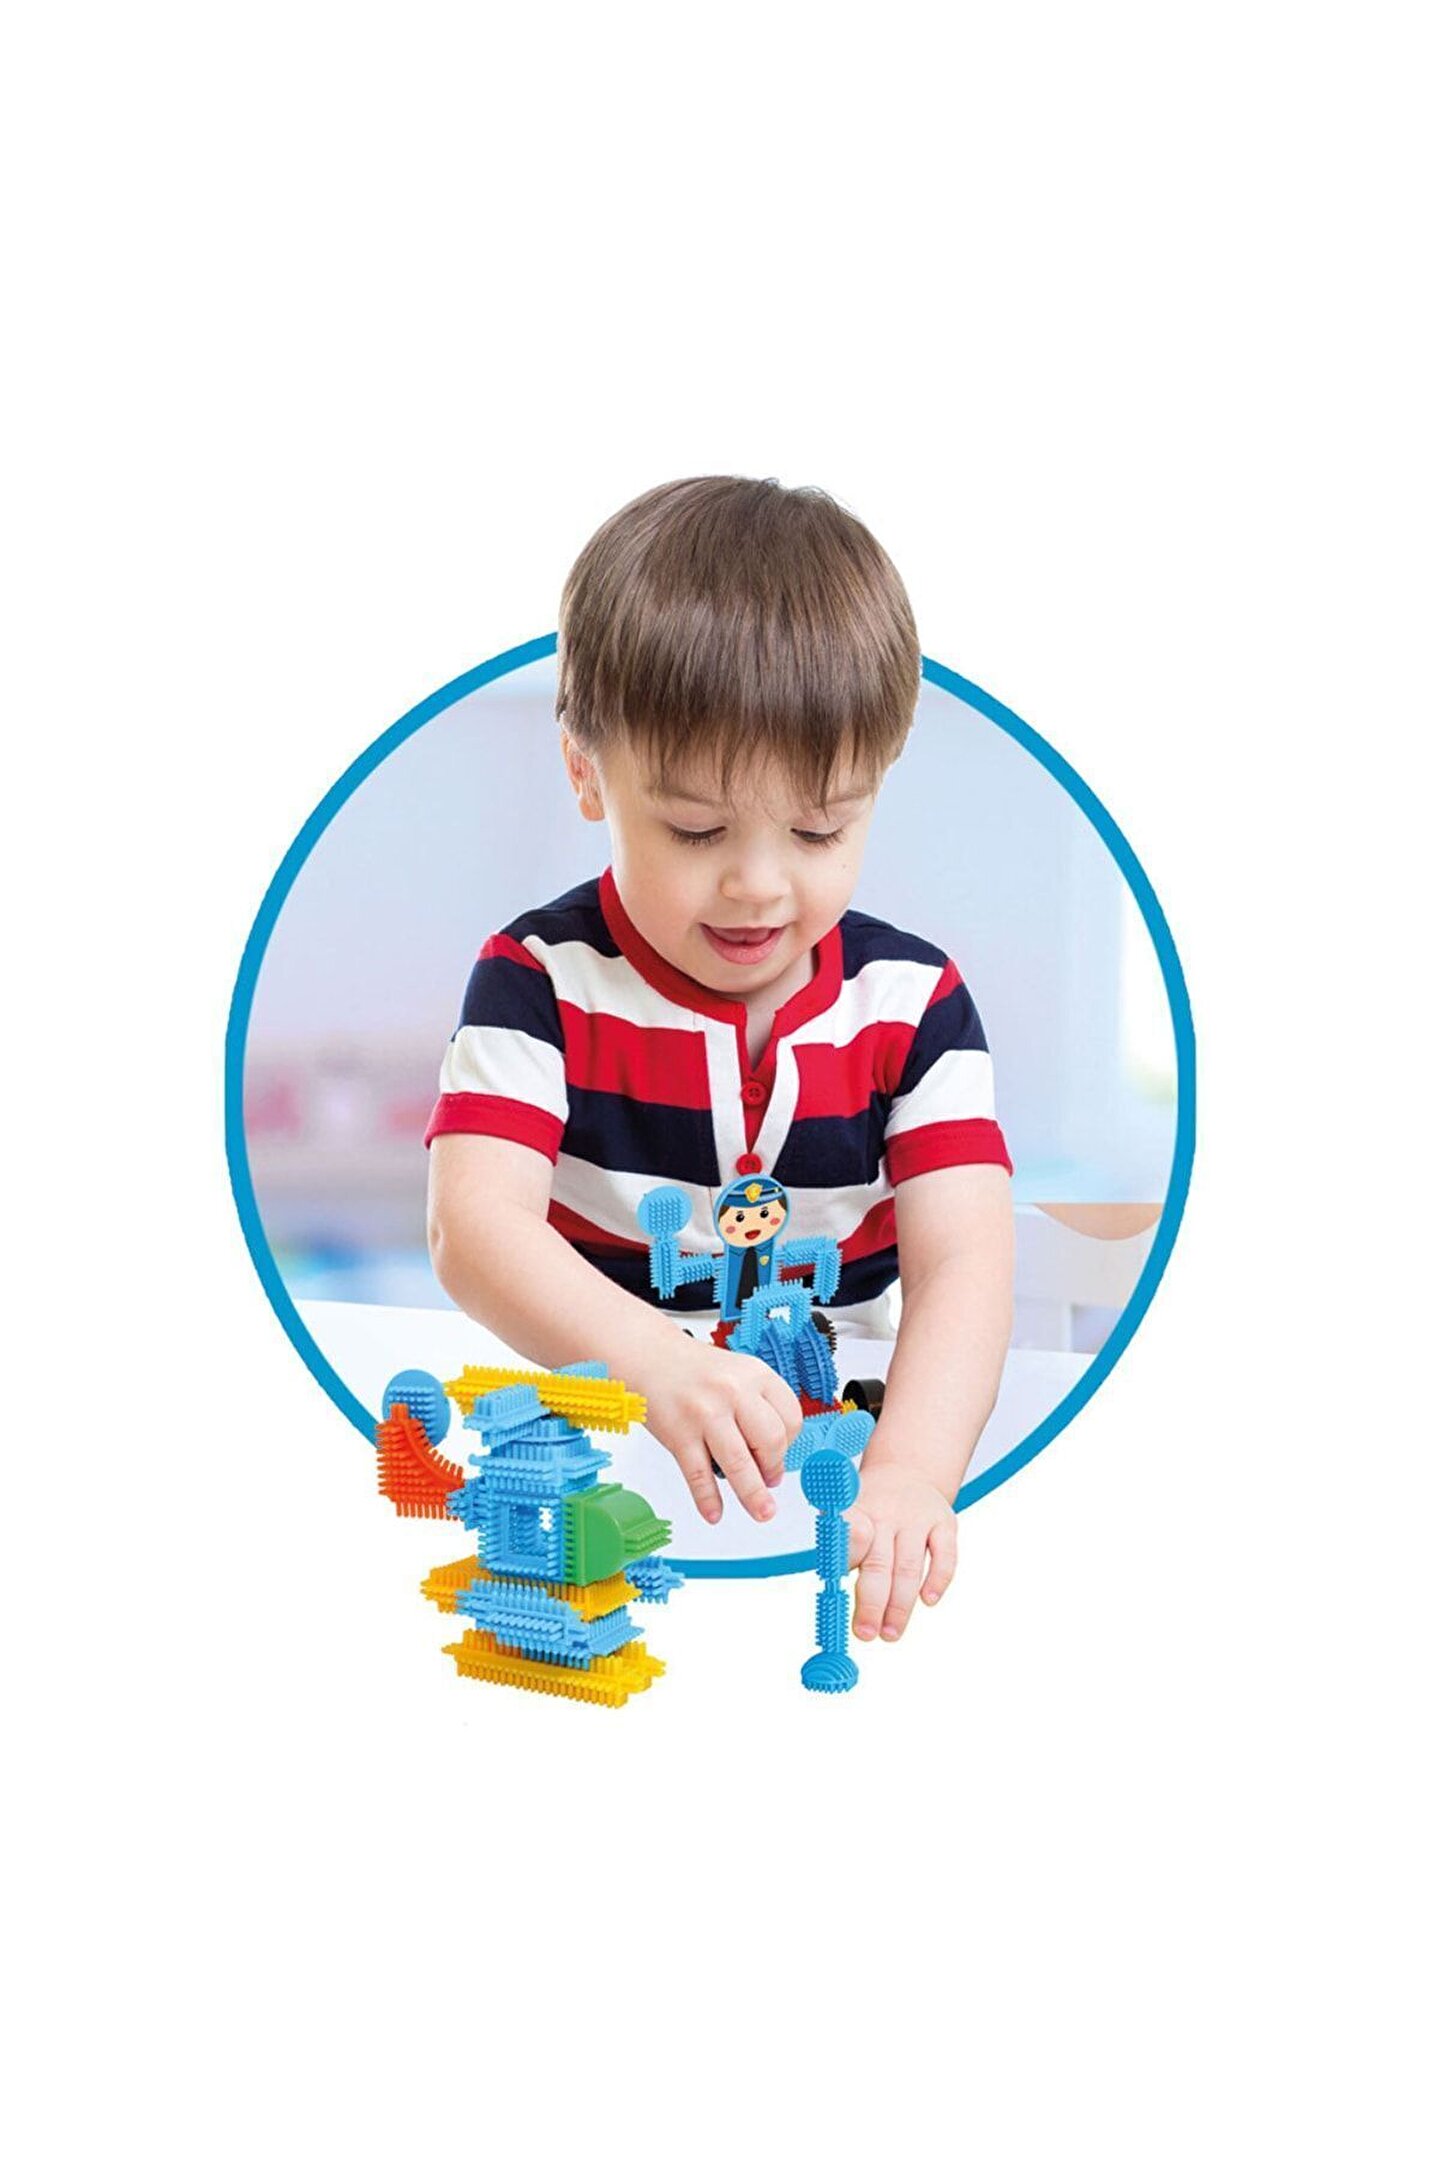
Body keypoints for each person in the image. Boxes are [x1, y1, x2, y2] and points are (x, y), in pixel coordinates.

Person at [426, 476, 1014, 1646]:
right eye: (695, 829)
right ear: (586, 772)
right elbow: (473, 1228)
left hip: (831, 1460)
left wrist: (914, 1470)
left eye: (819, 828)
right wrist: (652, 1363)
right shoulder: (535, 980)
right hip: (605, 1435)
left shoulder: (916, 1003)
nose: (757, 884)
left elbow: (965, 1260)